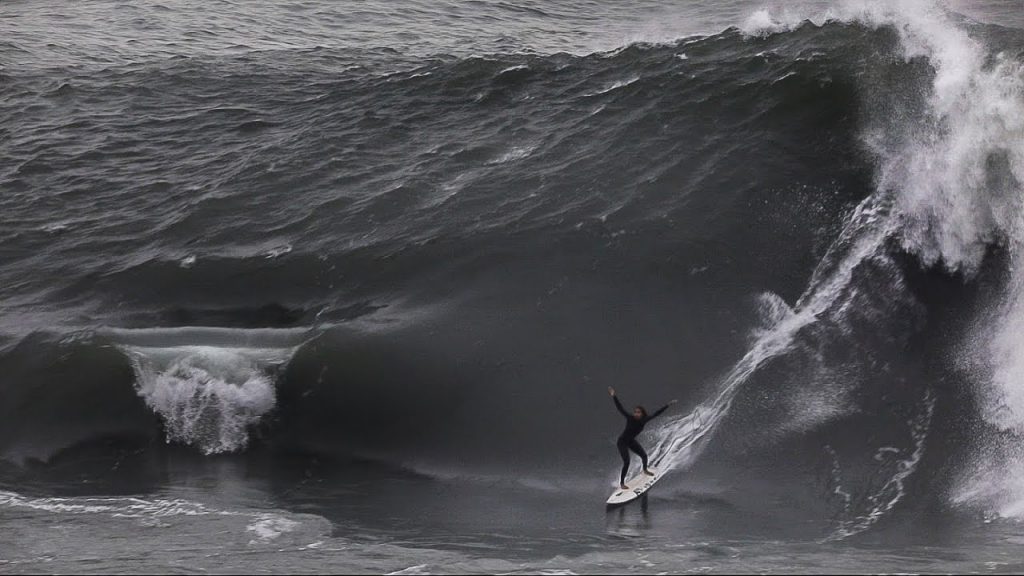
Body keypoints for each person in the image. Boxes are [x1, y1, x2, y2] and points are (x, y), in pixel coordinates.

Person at [608, 386, 677, 490]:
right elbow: (620, 408)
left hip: (631, 441)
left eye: (638, 412)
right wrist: (614, 396)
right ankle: (622, 483)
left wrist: (667, 405)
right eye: (635, 412)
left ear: (642, 414)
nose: (636, 414)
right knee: (627, 462)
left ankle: (645, 470)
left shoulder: (644, 420)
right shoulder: (630, 418)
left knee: (644, 456)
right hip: (622, 442)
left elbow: (656, 414)